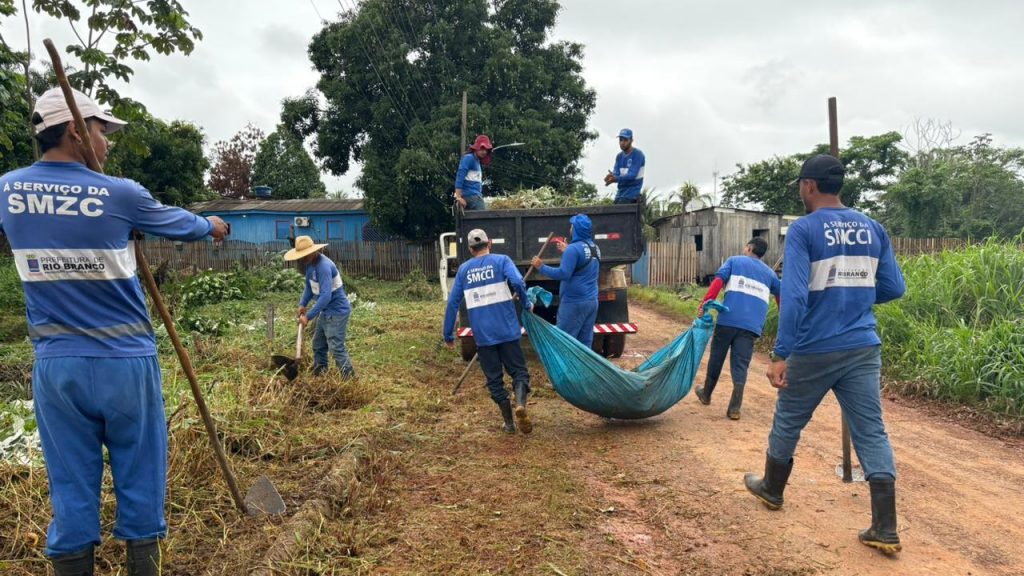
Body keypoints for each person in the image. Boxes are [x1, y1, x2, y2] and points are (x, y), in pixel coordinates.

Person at [0, 87, 228, 576]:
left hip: (57, 367)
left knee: (70, 487)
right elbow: (184, 225)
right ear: (77, 131)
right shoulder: (119, 193)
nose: (107, 143)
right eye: (102, 131)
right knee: (142, 479)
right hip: (125, 361)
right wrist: (213, 224)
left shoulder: (9, 190)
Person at [743, 154, 906, 555]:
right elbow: (894, 287)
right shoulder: (873, 228)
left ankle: (772, 489)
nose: (800, 190)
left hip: (815, 347)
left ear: (809, 186)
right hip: (862, 346)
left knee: (789, 418)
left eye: (800, 184)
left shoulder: (803, 230)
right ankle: (885, 527)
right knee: (871, 430)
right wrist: (856, 296)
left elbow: (795, 296)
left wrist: (781, 353)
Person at [444, 228, 533, 434]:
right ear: (489, 243)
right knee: (519, 372)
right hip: (508, 331)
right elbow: (518, 282)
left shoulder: (464, 270)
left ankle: (509, 423)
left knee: (494, 380)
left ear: (470, 248)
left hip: (484, 336)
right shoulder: (502, 260)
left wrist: (448, 334)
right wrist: (526, 303)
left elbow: (453, 303)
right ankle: (520, 403)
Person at [694, 237, 781, 420]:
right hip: (751, 327)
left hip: (727, 320)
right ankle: (734, 408)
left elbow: (718, 282)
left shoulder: (734, 261)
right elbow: (781, 298)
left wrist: (705, 304)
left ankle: (706, 394)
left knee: (716, 357)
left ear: (749, 248)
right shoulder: (771, 275)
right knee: (740, 364)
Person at [285, 235, 355, 378]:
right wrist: (302, 304)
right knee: (318, 345)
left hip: (337, 312)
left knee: (336, 347)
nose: (302, 258)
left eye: (304, 255)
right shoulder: (310, 265)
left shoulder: (323, 267)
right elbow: (309, 288)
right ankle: (320, 376)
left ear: (312, 251)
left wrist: (308, 317)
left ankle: (350, 379)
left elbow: (325, 296)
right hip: (326, 311)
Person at [530, 214, 601, 349]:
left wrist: (541, 266)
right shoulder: (594, 247)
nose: (570, 228)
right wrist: (568, 250)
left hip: (574, 303)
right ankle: (582, 369)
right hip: (591, 302)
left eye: (572, 226)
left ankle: (566, 370)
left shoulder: (573, 250)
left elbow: (563, 274)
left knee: (564, 342)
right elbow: (581, 261)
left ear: (575, 229)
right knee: (584, 343)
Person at [603, 128, 645, 204]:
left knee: (620, 211)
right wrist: (611, 177)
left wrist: (616, 178)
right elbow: (616, 174)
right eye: (620, 140)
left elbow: (632, 175)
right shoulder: (619, 156)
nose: (622, 142)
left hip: (632, 194)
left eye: (625, 140)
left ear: (631, 140)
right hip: (620, 194)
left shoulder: (638, 154)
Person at [454, 134, 493, 211]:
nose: (484, 152)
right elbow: (460, 176)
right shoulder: (469, 158)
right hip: (473, 197)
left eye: (486, 150)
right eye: (482, 149)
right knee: (484, 220)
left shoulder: (476, 160)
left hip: (471, 197)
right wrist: (458, 197)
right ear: (476, 148)